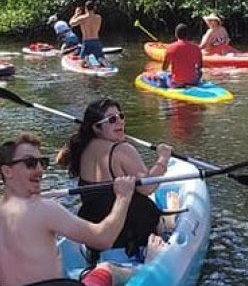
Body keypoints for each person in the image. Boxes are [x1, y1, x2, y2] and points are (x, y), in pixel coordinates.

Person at [0, 133, 166, 286]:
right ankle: (150, 266)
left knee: (77, 275)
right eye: (30, 164)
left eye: (42, 163)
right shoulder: (44, 208)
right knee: (107, 269)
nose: (40, 171)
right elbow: (104, 238)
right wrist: (123, 198)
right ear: (7, 171)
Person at [57, 98, 173, 257]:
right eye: (112, 120)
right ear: (96, 128)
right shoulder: (122, 150)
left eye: (121, 116)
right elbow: (148, 187)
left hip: (97, 228)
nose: (120, 122)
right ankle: (168, 222)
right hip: (127, 231)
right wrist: (163, 158)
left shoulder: (84, 147)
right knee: (155, 212)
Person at [160, 23, 203, 87]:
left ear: (176, 34)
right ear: (187, 35)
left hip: (176, 82)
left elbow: (164, 68)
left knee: (161, 74)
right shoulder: (196, 48)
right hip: (193, 81)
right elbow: (200, 66)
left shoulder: (171, 47)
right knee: (199, 72)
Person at [69, 0, 107, 67]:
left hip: (87, 42)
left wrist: (76, 14)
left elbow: (71, 23)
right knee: (100, 58)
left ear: (86, 8)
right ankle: (101, 62)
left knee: (81, 64)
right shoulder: (98, 17)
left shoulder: (82, 18)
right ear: (94, 8)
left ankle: (86, 61)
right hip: (96, 41)